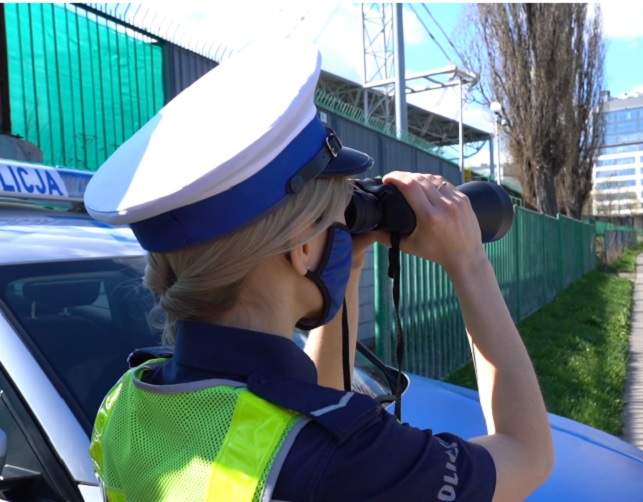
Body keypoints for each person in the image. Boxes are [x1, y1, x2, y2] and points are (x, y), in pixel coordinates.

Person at [84, 39, 553, 502]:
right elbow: (526, 454)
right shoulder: (344, 460)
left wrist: (346, 260)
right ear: (303, 248)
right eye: (335, 222)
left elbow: (310, 405)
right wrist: (467, 259)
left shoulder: (128, 402)